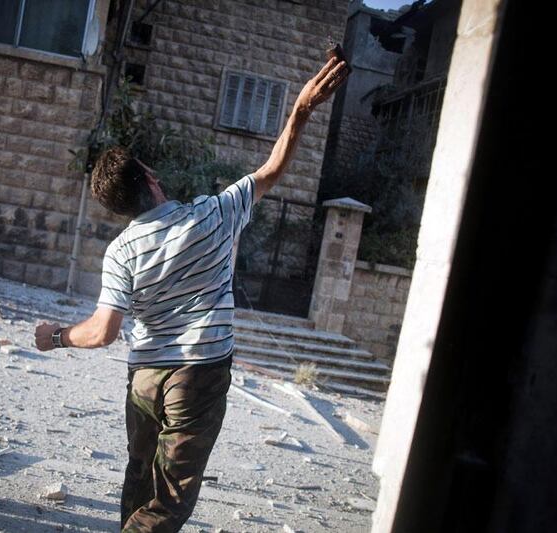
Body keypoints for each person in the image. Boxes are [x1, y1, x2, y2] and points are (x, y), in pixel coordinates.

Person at [34, 56, 349, 532]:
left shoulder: (121, 250)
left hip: (143, 378)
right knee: (171, 498)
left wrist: (55, 336)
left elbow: (102, 332)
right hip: (197, 378)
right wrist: (302, 108)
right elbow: (273, 169)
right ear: (152, 180)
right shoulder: (212, 215)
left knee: (139, 472)